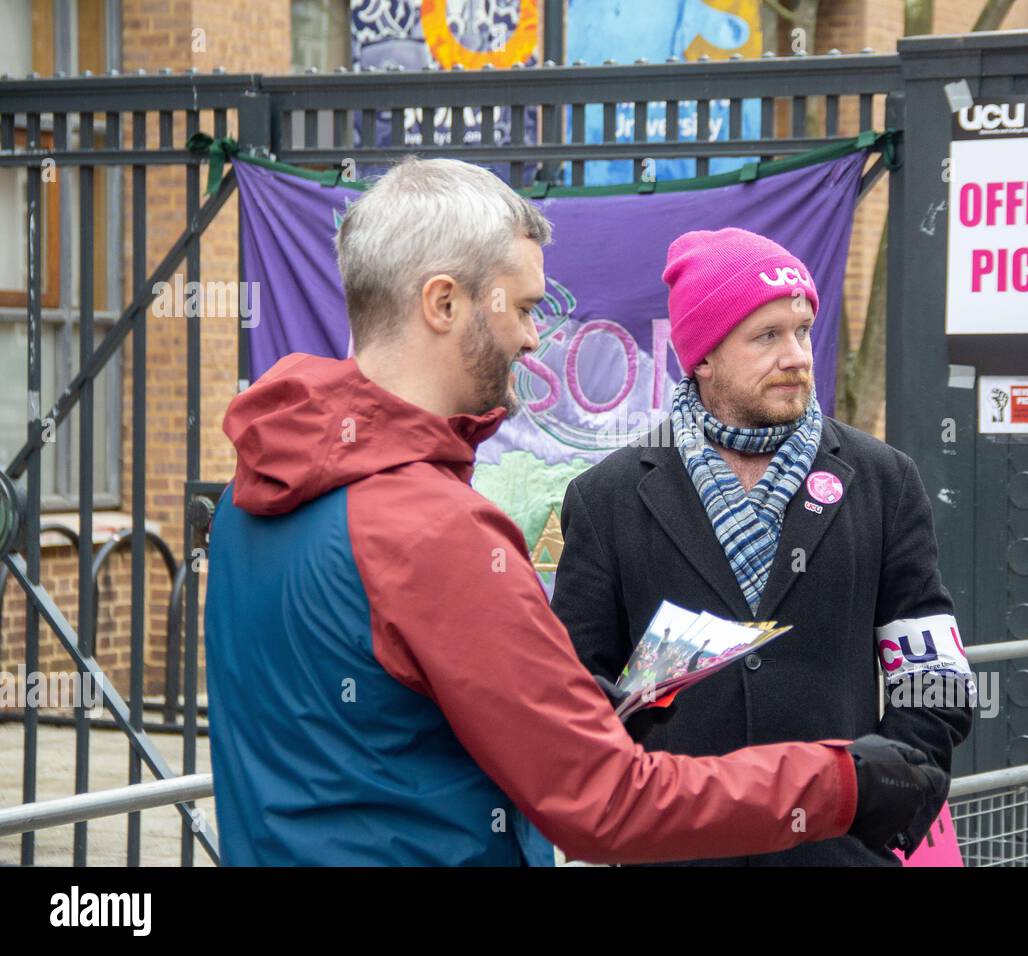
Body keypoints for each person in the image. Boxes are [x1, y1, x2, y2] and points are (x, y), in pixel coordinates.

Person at [203, 159, 947, 866]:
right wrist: (843, 783)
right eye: (524, 306)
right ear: (443, 303)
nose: (533, 336)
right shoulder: (436, 529)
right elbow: (602, 798)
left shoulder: (253, 490)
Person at [551, 227, 976, 867]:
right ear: (703, 357)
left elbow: (933, 675)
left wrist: (895, 797)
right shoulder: (606, 497)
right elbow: (575, 689)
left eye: (802, 330)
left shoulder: (884, 480)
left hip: (842, 853)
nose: (797, 356)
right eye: (767, 336)